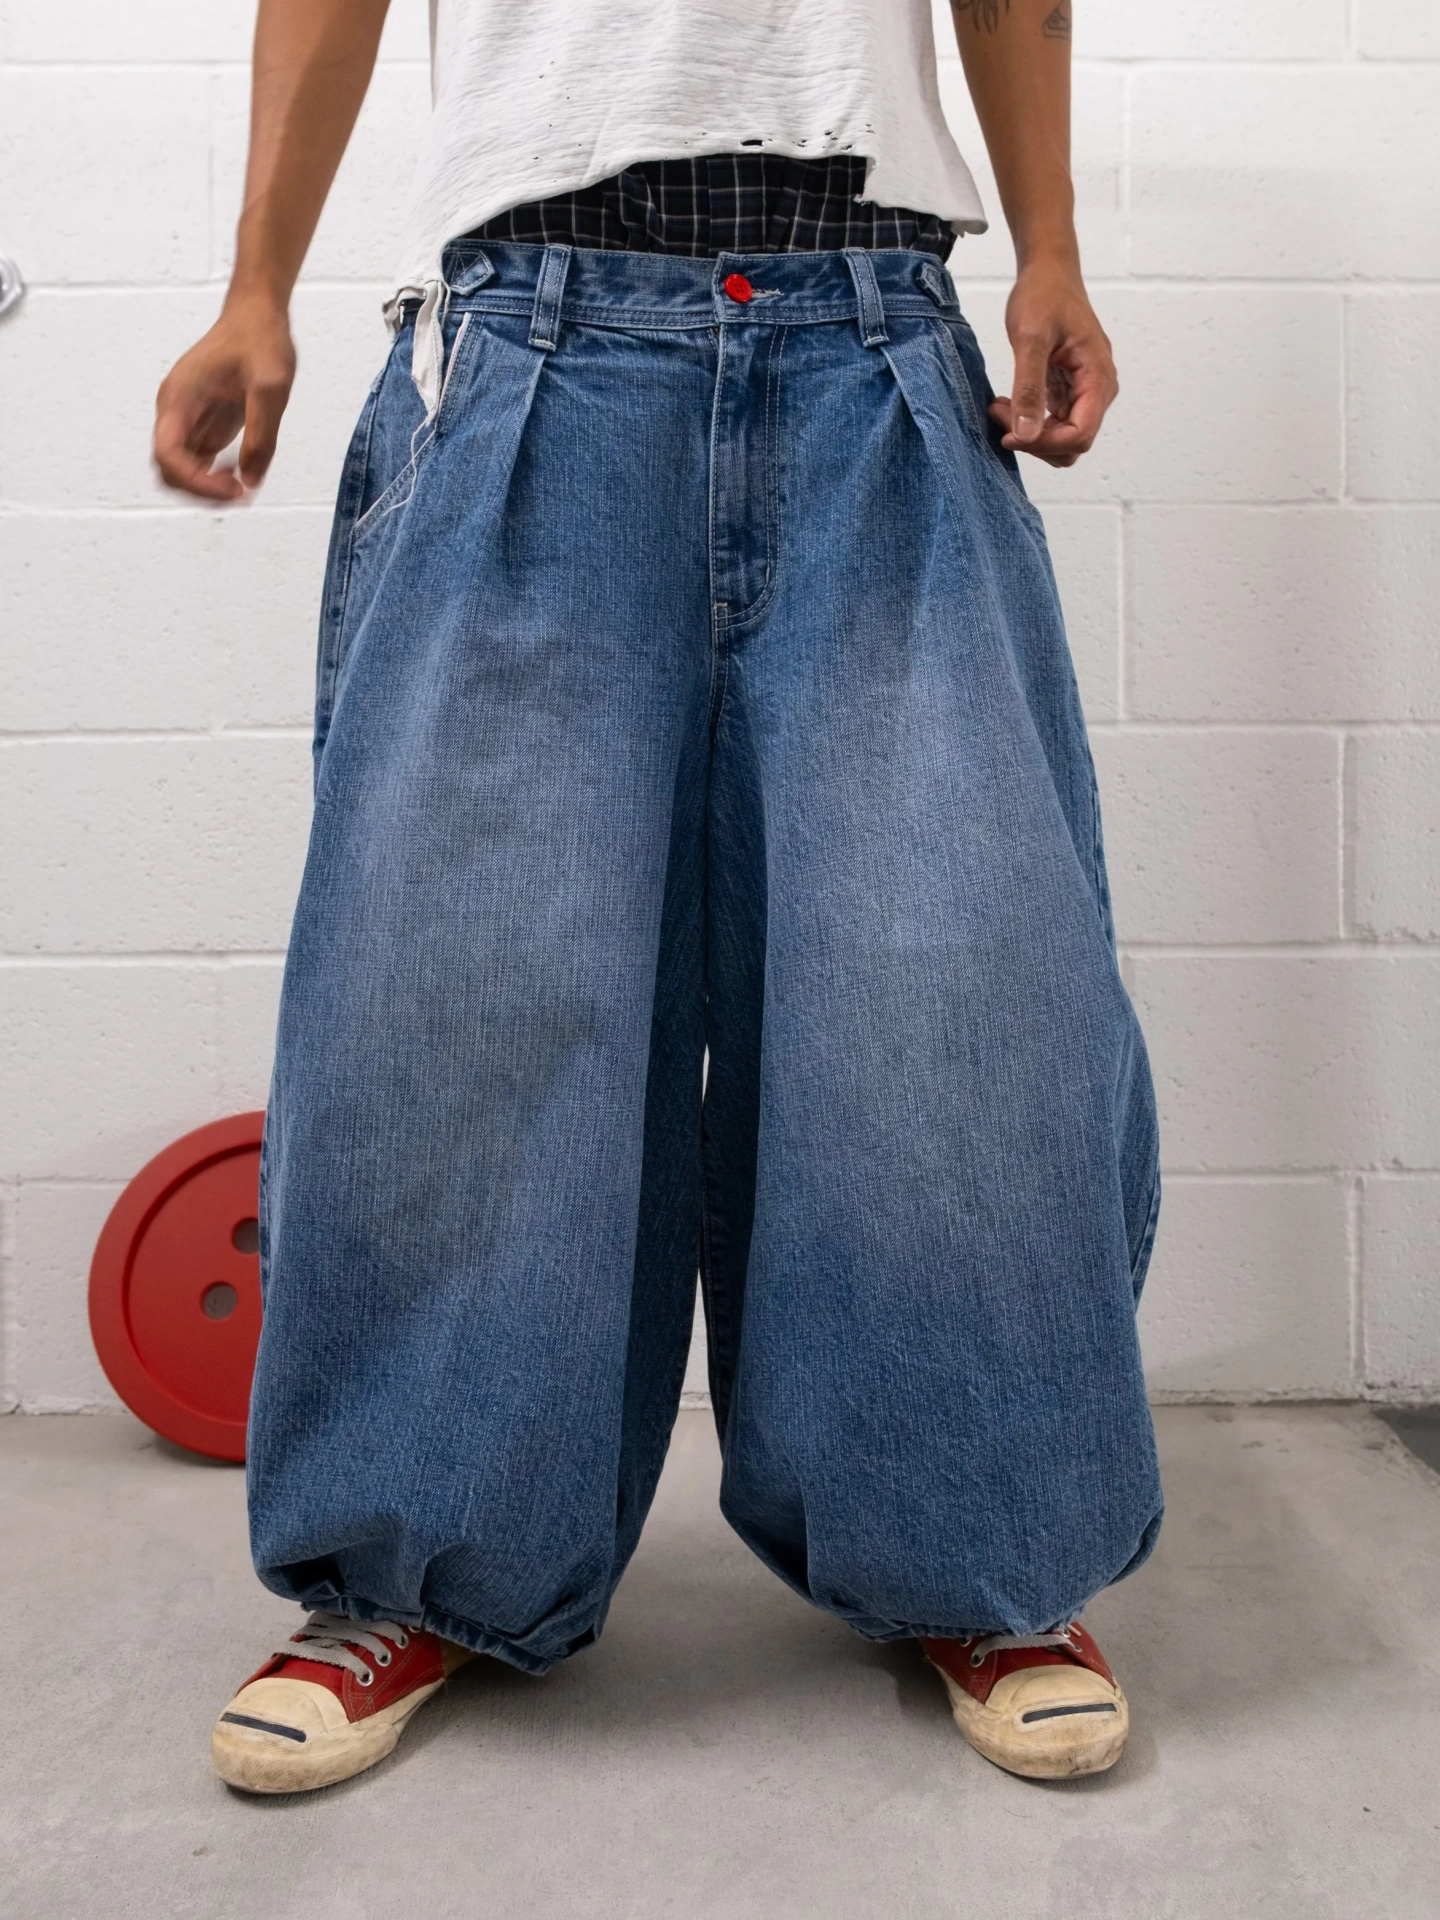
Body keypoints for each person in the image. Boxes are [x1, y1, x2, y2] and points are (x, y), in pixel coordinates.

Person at [154, 0, 1163, 1795]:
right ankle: (414, 1569)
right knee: (467, 988)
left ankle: (975, 1552)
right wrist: (257, 284)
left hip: (874, 335)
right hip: (534, 332)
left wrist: (1054, 243)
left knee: (945, 987)